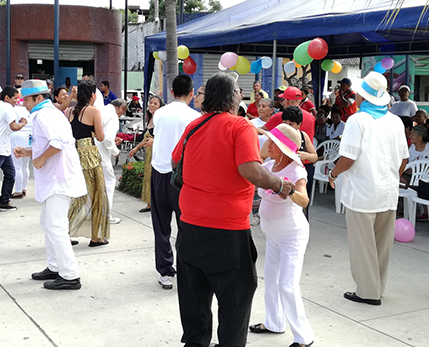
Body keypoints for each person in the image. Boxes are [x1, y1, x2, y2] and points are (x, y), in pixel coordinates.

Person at [173, 73, 294, 347]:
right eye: (239, 91)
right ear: (232, 97)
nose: (242, 95)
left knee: (194, 307)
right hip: (227, 234)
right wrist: (279, 184)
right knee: (234, 306)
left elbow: (175, 161)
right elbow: (250, 170)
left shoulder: (193, 126)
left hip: (190, 229)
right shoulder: (240, 126)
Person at [328, 72, 409, 306]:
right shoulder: (395, 121)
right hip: (389, 192)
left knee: (363, 246)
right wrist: (392, 177)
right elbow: (404, 159)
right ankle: (377, 288)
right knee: (382, 245)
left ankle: (367, 292)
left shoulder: (357, 120)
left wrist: (333, 174)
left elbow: (348, 158)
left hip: (362, 193)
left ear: (362, 97)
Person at [14, 79, 85, 290]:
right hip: (55, 178)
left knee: (55, 225)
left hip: (59, 178)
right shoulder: (44, 114)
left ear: (38, 98)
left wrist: (40, 158)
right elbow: (47, 144)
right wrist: (29, 152)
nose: (23, 104)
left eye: (26, 100)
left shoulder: (46, 115)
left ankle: (70, 275)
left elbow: (59, 143)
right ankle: (55, 266)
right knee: (48, 222)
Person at [248, 124, 314, 347]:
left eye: (273, 142)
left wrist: (289, 190)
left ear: (284, 148)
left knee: (287, 284)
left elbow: (304, 200)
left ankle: (304, 337)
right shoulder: (269, 165)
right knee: (271, 281)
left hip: (291, 235)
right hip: (272, 235)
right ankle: (274, 322)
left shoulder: (296, 170)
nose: (268, 144)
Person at [151, 75, 199, 290]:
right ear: (192, 93)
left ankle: (165, 271)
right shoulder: (194, 117)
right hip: (182, 176)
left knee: (161, 225)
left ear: (171, 92)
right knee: (186, 225)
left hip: (158, 172)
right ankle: (187, 268)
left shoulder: (159, 113)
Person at [65, 81, 110, 246]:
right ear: (92, 95)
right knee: (98, 194)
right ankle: (96, 236)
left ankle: (65, 233)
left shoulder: (69, 111)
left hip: (73, 154)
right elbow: (100, 137)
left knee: (76, 195)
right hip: (89, 155)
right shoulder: (93, 111)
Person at [129, 95, 164, 213]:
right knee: (148, 177)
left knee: (155, 178)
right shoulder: (150, 119)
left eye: (155, 103)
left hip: (156, 154)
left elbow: (163, 138)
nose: (152, 105)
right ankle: (150, 203)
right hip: (148, 154)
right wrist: (135, 148)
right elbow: (145, 138)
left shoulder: (160, 120)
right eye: (151, 102)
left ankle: (156, 203)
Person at [99, 99, 127, 224]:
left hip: (93, 150)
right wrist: (115, 151)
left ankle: (94, 213)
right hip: (102, 153)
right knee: (109, 182)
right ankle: (106, 214)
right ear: (120, 107)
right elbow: (108, 139)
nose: (121, 115)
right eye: (122, 112)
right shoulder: (113, 116)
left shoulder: (101, 110)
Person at [10, 95, 33, 199]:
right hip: (29, 138)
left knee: (17, 166)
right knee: (25, 165)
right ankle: (24, 188)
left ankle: (18, 190)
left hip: (17, 138)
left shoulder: (14, 109)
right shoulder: (30, 110)